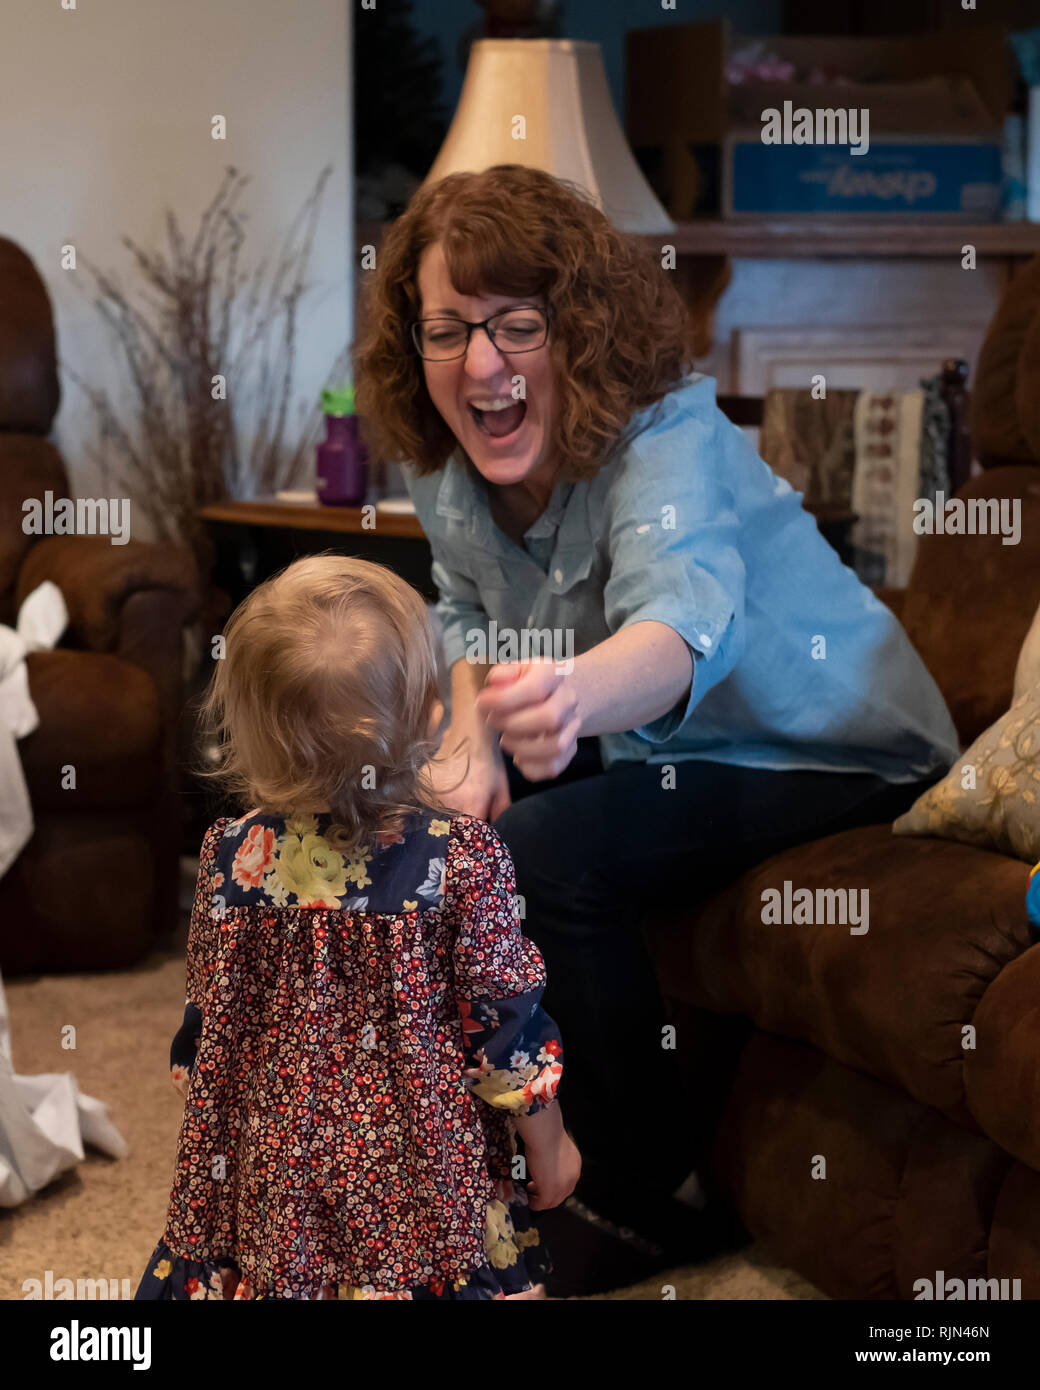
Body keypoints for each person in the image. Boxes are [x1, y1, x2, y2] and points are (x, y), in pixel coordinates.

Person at [353, 163, 961, 1259]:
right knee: (421, 839)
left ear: (577, 329)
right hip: (652, 742)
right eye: (445, 331)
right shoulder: (442, 465)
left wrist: (567, 694)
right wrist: (467, 724)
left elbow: (682, 623)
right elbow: (456, 612)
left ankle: (642, 1196)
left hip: (828, 748)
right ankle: (459, 1147)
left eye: (515, 326)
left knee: (545, 850)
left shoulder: (663, 431)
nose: (480, 365)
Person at [134, 555, 580, 1301]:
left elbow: (206, 1033)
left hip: (272, 1187)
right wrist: (551, 1144)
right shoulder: (464, 859)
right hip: (425, 1200)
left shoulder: (227, 860)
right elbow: (504, 1037)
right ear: (433, 718)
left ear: (242, 731)